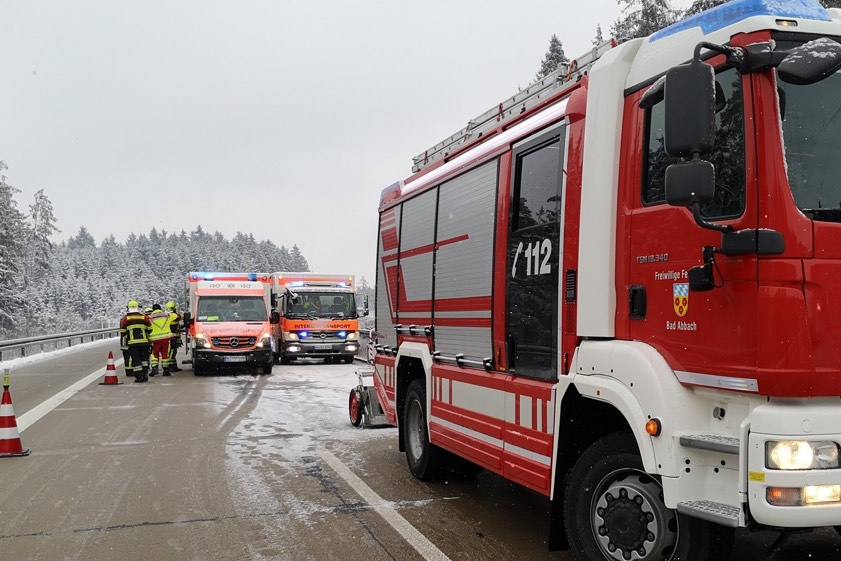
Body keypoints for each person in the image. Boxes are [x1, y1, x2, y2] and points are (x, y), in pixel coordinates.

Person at [120, 300, 152, 383]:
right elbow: (150, 329)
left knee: (136, 360)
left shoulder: (125, 319)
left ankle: (139, 377)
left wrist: (128, 335)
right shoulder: (144, 317)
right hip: (144, 343)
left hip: (133, 343)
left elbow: (123, 332)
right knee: (144, 360)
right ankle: (145, 375)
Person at [148, 303, 175, 376]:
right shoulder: (167, 315)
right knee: (165, 354)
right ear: (160, 309)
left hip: (155, 340)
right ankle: (166, 370)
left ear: (153, 310)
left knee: (154, 354)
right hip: (165, 339)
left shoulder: (149, 318)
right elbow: (177, 316)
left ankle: (154, 368)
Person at [165, 300, 183, 372]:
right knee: (172, 352)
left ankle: (174, 365)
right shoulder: (172, 315)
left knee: (173, 352)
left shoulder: (167, 316)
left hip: (172, 337)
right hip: (172, 337)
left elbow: (176, 325)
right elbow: (180, 317)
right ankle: (170, 366)